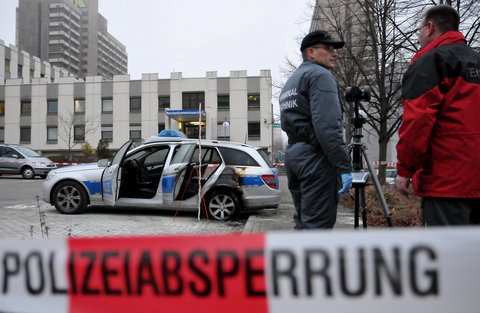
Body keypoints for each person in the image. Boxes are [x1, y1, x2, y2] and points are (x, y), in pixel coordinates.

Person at [396, 5, 480, 226]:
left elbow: (417, 121)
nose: (418, 36)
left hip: (447, 180)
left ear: (430, 27)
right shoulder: (475, 60)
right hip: (475, 177)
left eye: (419, 29)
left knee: (450, 255)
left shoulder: (430, 62)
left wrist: (405, 170)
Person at [280, 30, 353, 229]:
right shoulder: (320, 76)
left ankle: (300, 259)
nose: (334, 53)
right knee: (317, 228)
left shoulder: (292, 81)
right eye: (329, 48)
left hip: (295, 155)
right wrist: (343, 167)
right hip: (316, 158)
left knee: (303, 223)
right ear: (311, 52)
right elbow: (328, 127)